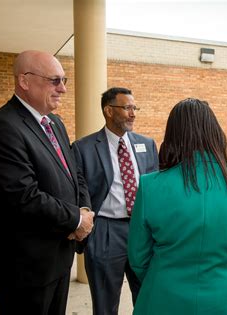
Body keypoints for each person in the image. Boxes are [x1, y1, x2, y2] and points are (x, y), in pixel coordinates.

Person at [128, 98, 227, 314]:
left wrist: (161, 277)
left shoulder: (150, 186)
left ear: (172, 136)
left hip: (163, 298)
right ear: (216, 132)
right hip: (225, 299)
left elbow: (138, 256)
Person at [0, 50, 94, 314]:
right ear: (24, 81)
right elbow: (23, 195)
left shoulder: (55, 123)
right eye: (54, 80)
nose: (62, 88)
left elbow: (75, 174)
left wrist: (83, 211)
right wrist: (76, 220)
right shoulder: (2, 126)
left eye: (64, 80)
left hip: (60, 258)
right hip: (27, 268)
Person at [72, 87, 159, 314]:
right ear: (109, 111)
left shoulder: (147, 144)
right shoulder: (83, 148)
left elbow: (156, 186)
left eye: (134, 108)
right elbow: (79, 190)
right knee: (105, 302)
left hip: (142, 229)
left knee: (148, 297)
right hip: (105, 231)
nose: (133, 113)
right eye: (127, 108)